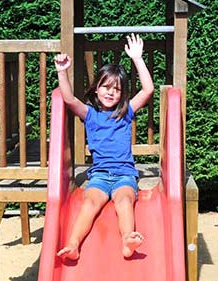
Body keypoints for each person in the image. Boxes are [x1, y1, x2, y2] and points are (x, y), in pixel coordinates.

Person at [54, 33, 154, 260]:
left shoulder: (125, 113)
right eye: (106, 87)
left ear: (122, 94)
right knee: (89, 203)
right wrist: (62, 72)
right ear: (96, 89)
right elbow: (69, 99)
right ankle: (73, 244)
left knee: (125, 200)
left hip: (124, 174)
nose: (110, 92)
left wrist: (137, 59)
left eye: (116, 89)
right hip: (99, 175)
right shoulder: (90, 114)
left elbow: (147, 90)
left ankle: (128, 239)